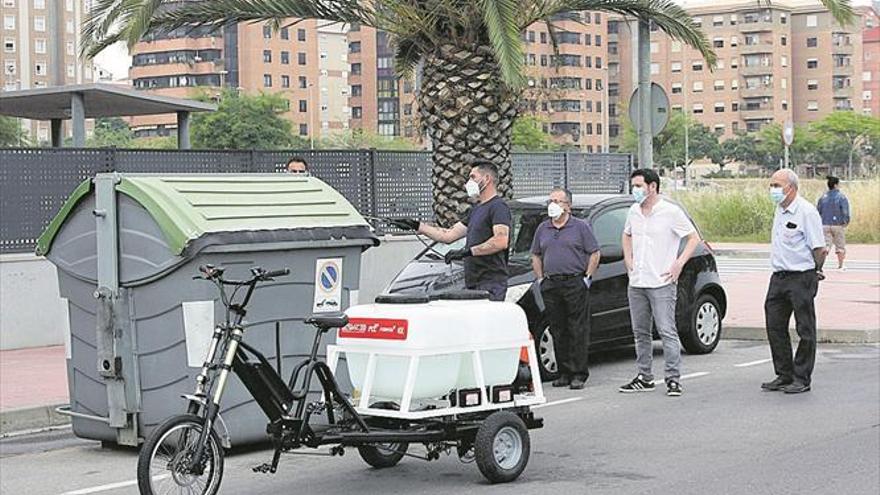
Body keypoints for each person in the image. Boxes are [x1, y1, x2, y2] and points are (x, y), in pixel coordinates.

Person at [619, 168, 700, 397]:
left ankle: (673, 379)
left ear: (652, 186)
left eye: (638, 186)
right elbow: (626, 235)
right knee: (640, 331)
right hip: (637, 281)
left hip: (661, 281)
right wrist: (628, 259)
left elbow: (693, 238)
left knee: (666, 330)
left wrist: (679, 263)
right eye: (633, 186)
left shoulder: (670, 212)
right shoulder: (634, 211)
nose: (635, 190)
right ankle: (644, 376)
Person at [392, 161, 512, 301]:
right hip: (473, 282)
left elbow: (501, 241)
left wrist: (468, 251)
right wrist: (416, 225)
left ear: (486, 179)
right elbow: (448, 235)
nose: (469, 182)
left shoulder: (498, 207)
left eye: (473, 177)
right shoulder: (476, 210)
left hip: (491, 284)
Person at [761, 169, 826, 394]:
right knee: (775, 326)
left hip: (801, 277)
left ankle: (801, 377)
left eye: (777, 185)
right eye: (772, 185)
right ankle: (784, 374)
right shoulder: (779, 210)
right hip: (779, 277)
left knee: (805, 328)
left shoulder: (806, 212)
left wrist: (816, 271)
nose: (773, 190)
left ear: (791, 187)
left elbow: (820, 248)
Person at [530, 187, 600, 390]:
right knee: (557, 329)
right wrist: (541, 278)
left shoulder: (580, 227)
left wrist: (587, 277)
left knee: (576, 329)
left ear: (568, 206)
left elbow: (594, 253)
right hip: (552, 284)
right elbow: (535, 254)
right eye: (550, 200)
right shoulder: (543, 228)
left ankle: (578, 373)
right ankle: (563, 372)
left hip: (574, 282)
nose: (553, 204)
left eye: (558, 201)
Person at [816, 175, 850, 271]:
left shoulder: (823, 197)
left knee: (826, 246)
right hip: (838, 224)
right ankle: (840, 265)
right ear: (835, 185)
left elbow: (818, 210)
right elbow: (845, 211)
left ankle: (819, 265)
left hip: (825, 224)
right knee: (840, 245)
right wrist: (846, 221)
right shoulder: (841, 197)